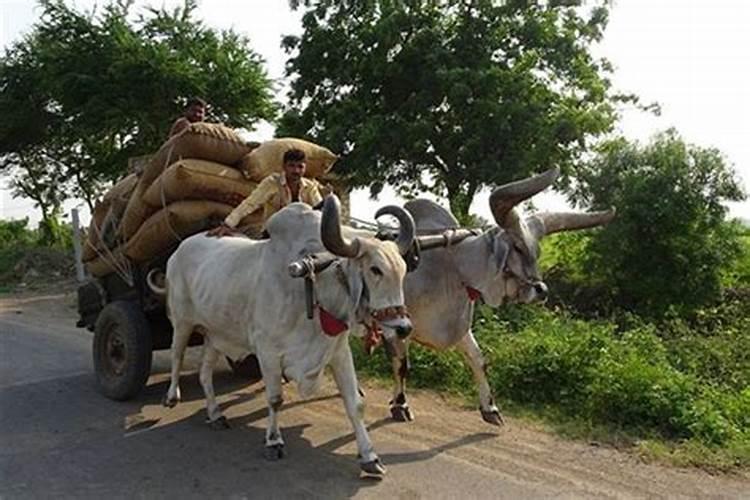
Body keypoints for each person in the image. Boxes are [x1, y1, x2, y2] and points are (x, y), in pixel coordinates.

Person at [207, 148, 323, 237]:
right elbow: (250, 203)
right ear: (284, 166)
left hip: (300, 234)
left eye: (300, 167)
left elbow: (319, 210)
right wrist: (228, 224)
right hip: (273, 233)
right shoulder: (272, 182)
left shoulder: (310, 187)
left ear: (305, 168)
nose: (296, 171)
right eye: (291, 166)